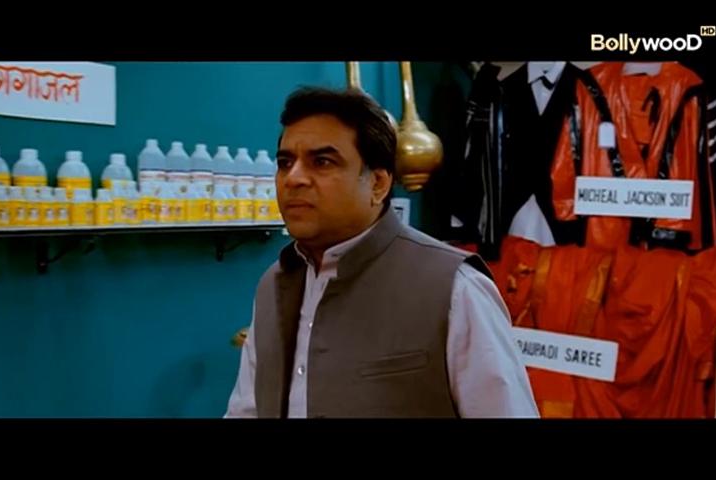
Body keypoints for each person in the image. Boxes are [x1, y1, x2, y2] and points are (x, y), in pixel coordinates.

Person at [225, 86, 538, 418]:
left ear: (378, 184)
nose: (294, 178)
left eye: (322, 162)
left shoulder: (454, 288)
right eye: (285, 162)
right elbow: (246, 410)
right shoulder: (274, 285)